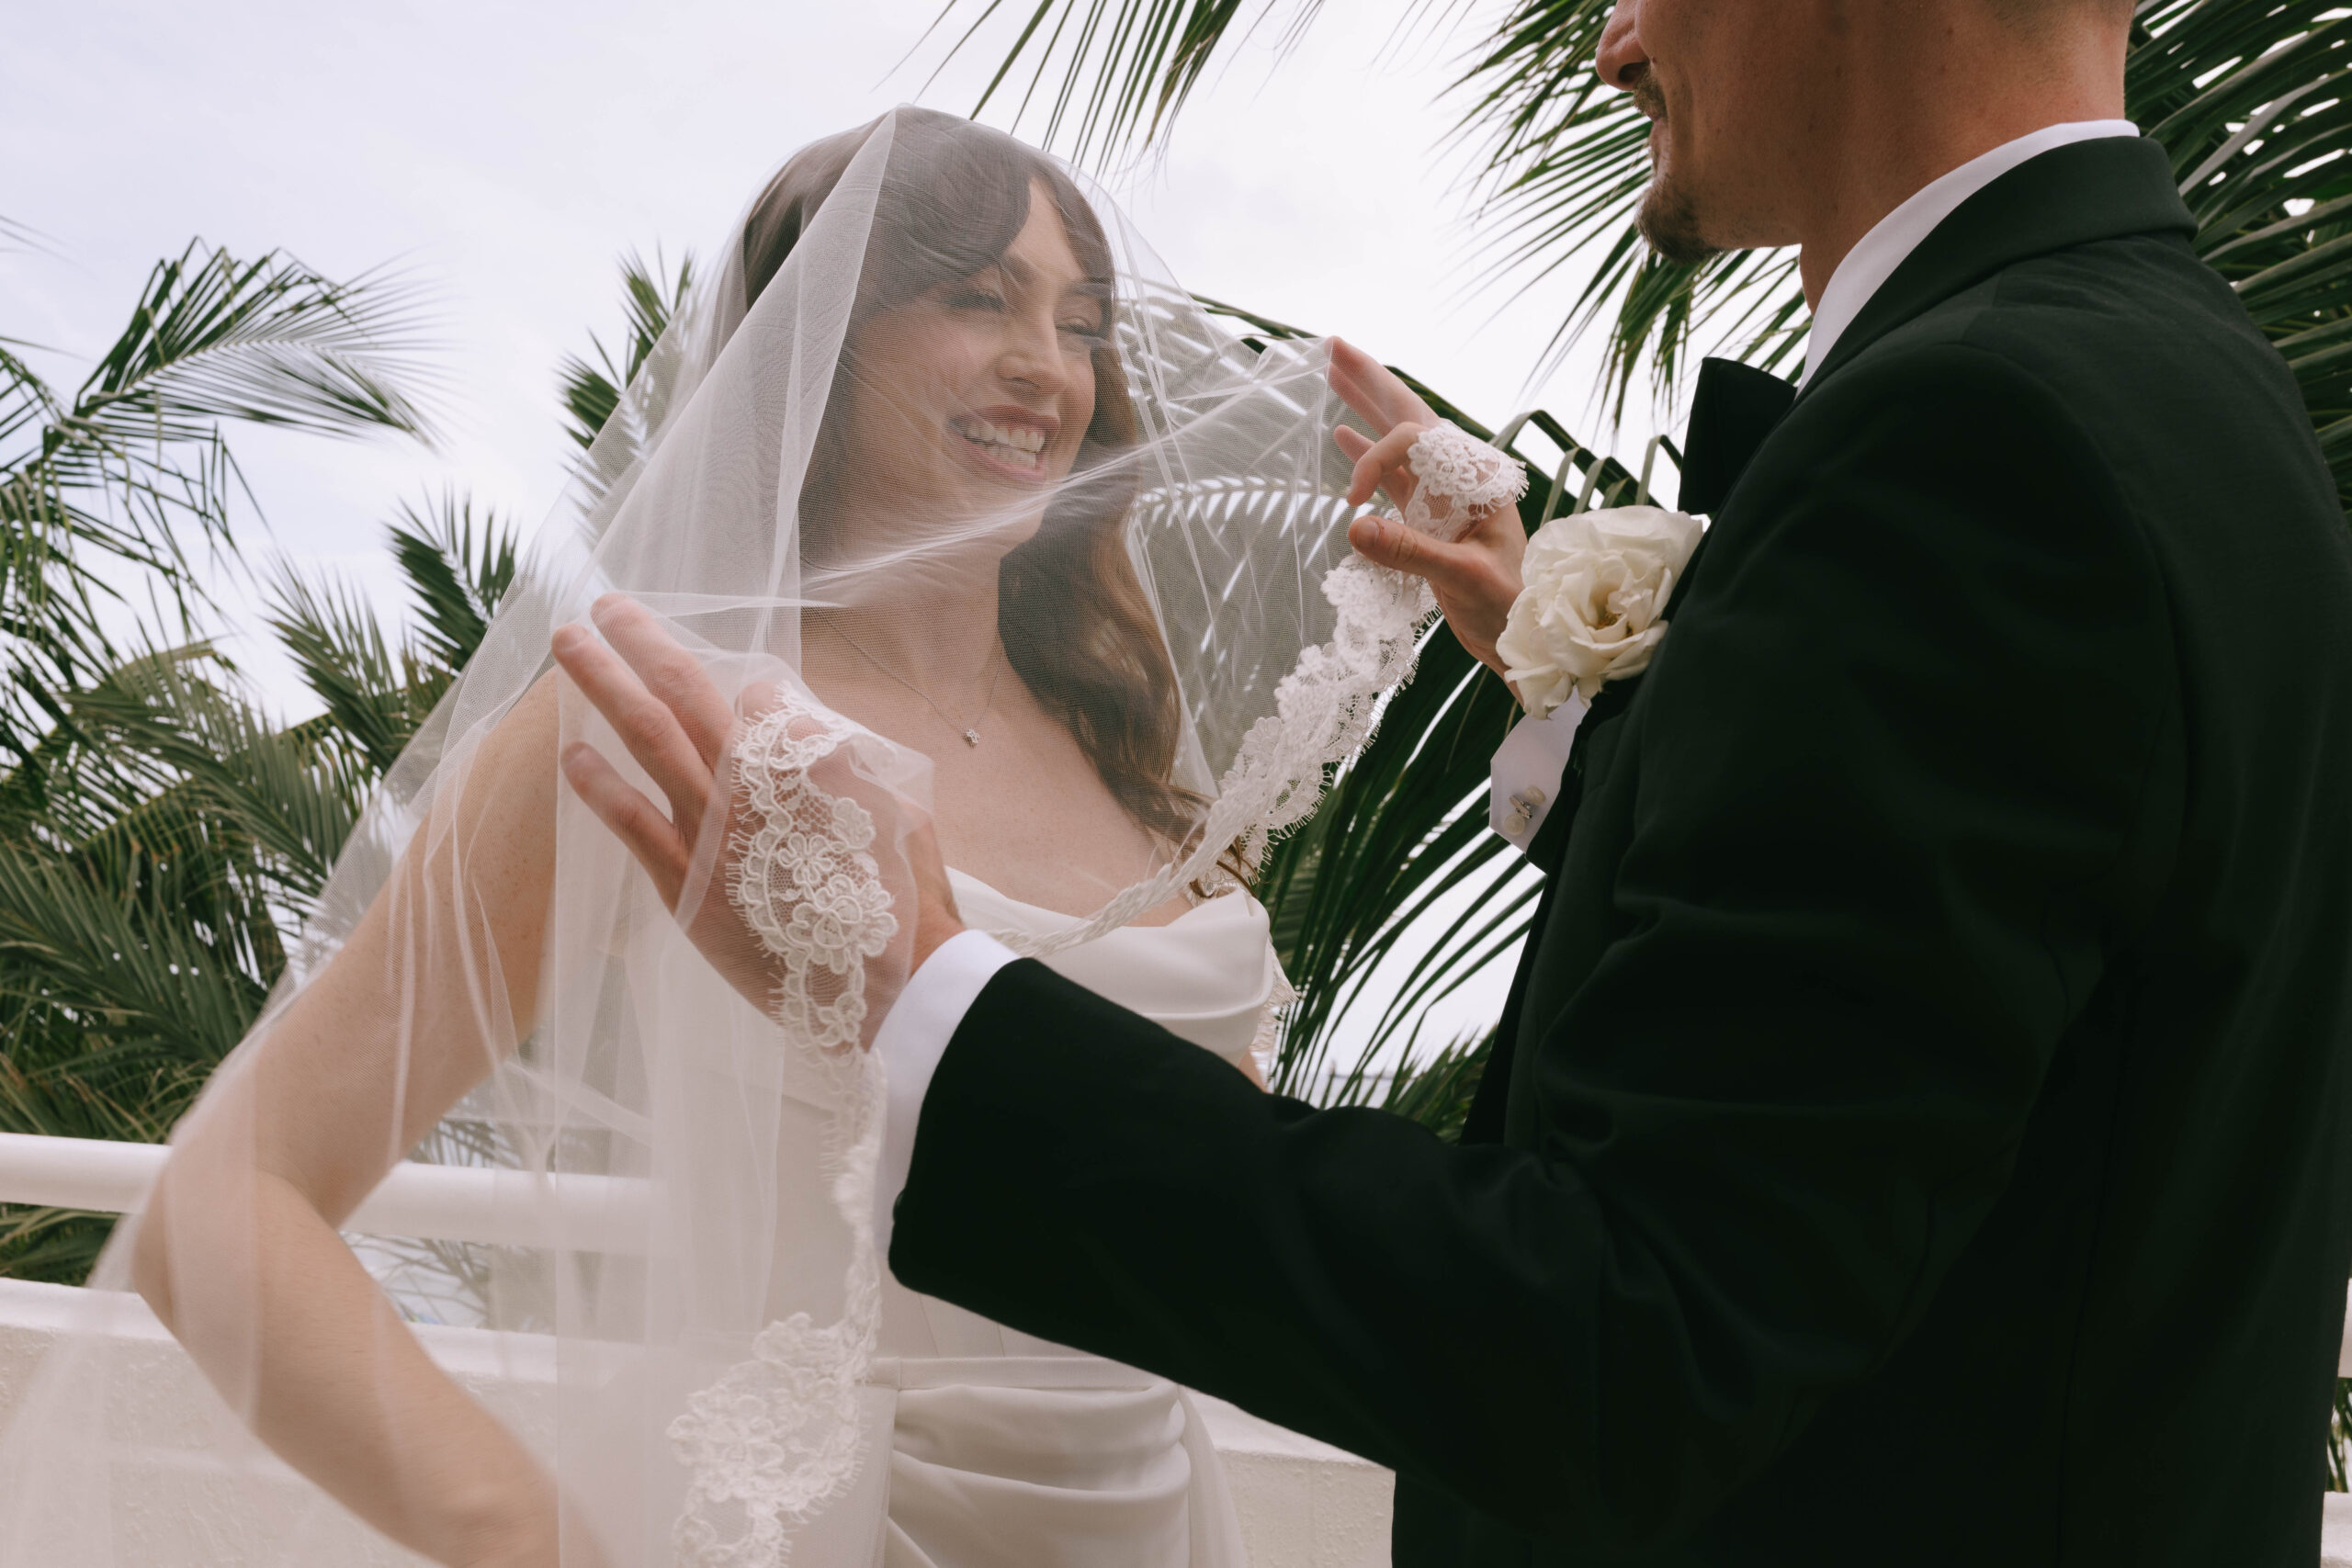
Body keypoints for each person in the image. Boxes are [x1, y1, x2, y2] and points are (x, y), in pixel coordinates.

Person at [583, 2, 2352, 1563]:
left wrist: (921, 996)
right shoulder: (2196, 401)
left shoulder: (1977, 439)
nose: (1617, 42)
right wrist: (1604, 713)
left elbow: (1636, 1346)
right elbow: (1960, 1065)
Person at [0, 107, 1471, 1568]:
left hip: (1155, 1525)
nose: (1048, 367)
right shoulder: (655, 724)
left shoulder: (1134, 757)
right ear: (818, 344)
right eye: (977, 298)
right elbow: (226, 1200)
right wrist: (533, 1540)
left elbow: (1216, 1194)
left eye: (1080, 323)